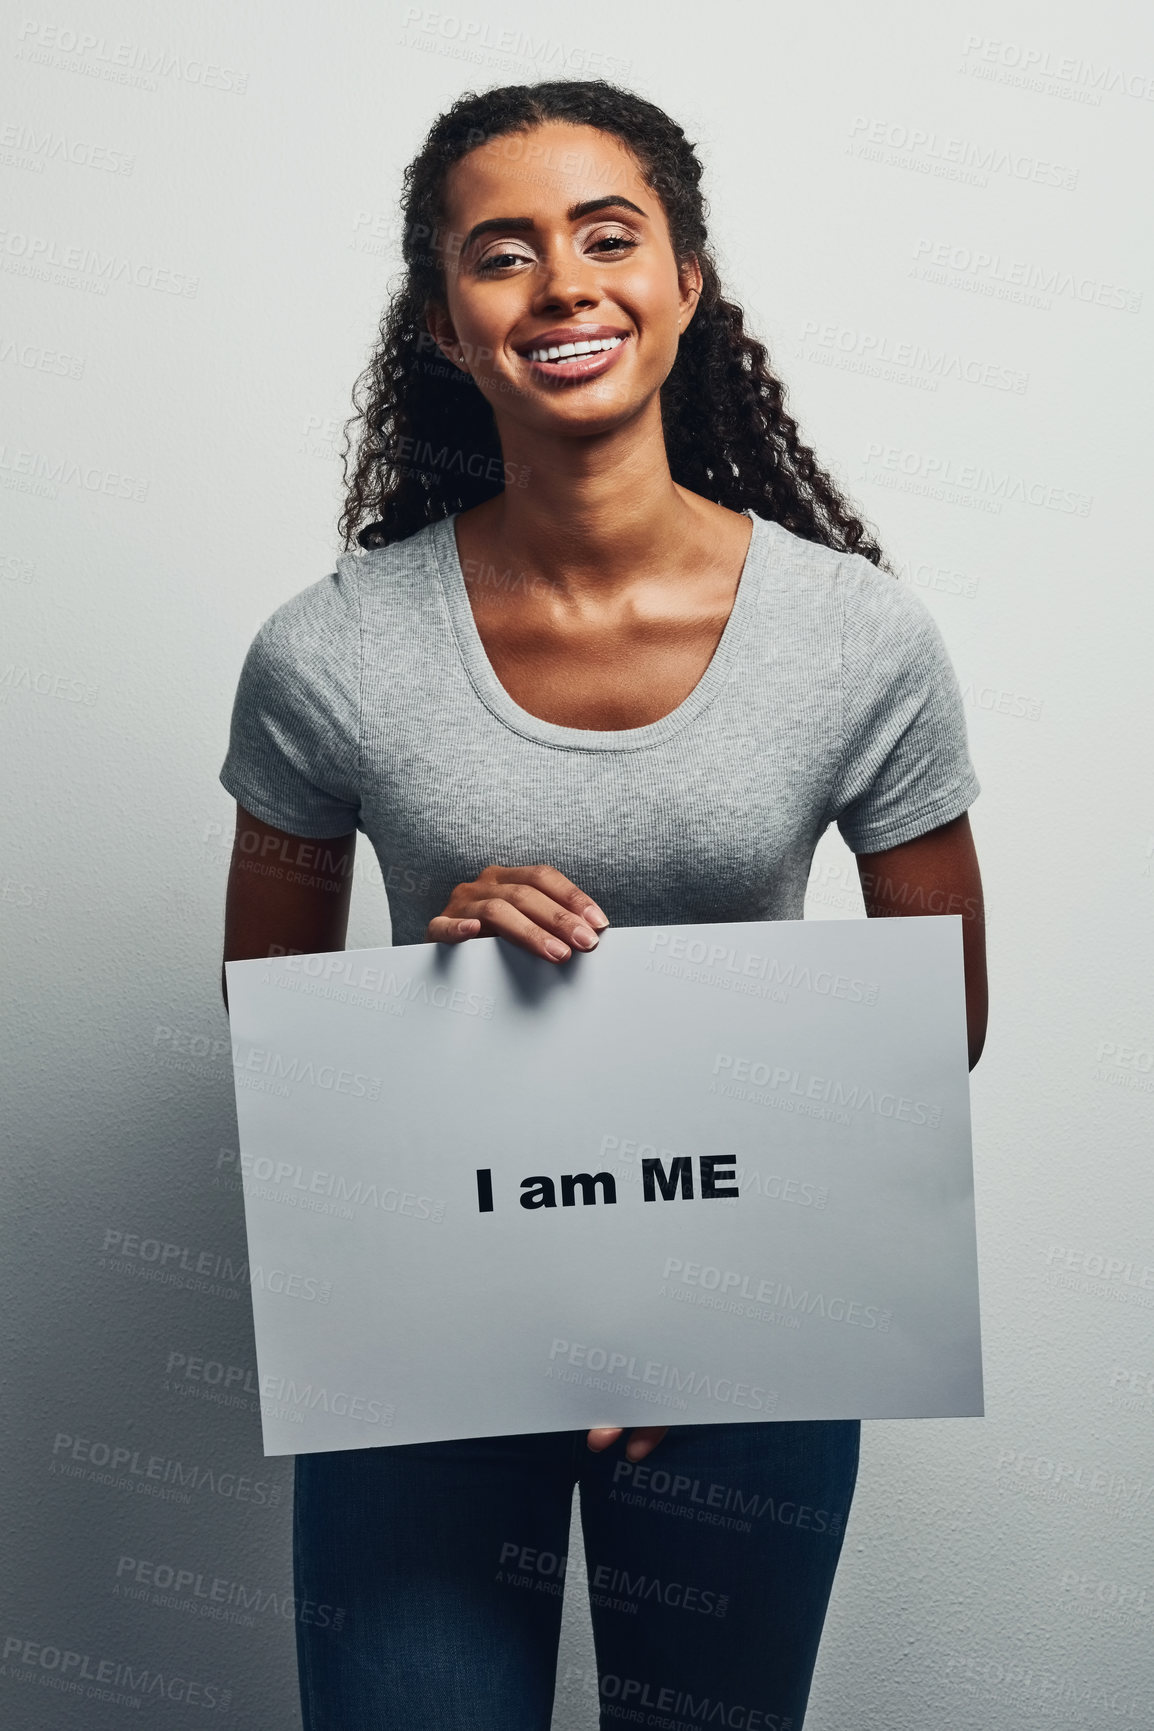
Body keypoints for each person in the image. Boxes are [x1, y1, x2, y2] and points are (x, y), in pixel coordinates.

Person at [219, 78, 986, 1731]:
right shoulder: (325, 652)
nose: (561, 282)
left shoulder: (857, 640)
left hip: (751, 1339)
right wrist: (436, 988)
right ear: (443, 322)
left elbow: (938, 1023)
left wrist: (674, 1303)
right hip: (423, 1334)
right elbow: (264, 1028)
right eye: (502, 253)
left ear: (685, 283)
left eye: (606, 236)